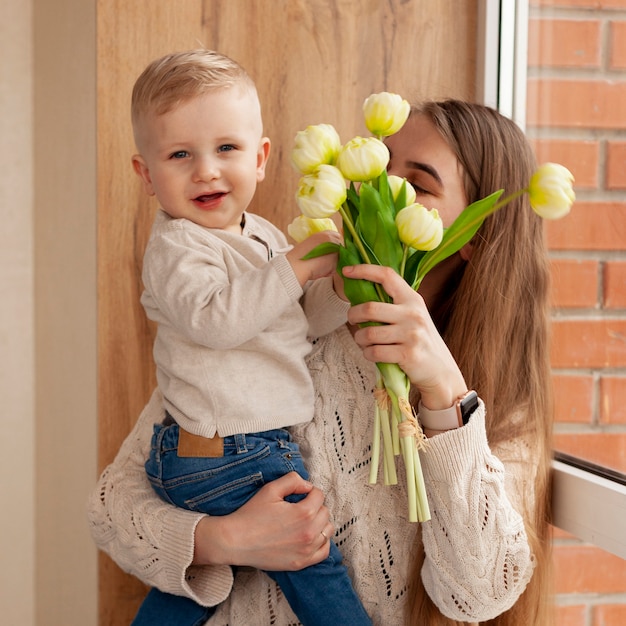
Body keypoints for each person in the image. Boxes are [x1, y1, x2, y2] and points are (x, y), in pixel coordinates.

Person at [88, 98, 554, 625]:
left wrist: (444, 394)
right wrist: (224, 540)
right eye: (376, 167)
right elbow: (110, 509)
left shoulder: (498, 403)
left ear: (474, 233)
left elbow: (478, 595)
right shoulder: (277, 322)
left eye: (418, 184)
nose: (374, 193)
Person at [126, 49, 372, 626]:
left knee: (199, 584)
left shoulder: (257, 234)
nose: (207, 170)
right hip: (229, 450)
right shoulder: (178, 247)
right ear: (147, 175)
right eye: (180, 154)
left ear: (260, 159)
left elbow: (293, 324)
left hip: (229, 451)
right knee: (313, 562)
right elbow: (216, 321)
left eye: (226, 149)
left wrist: (335, 290)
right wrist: (293, 268)